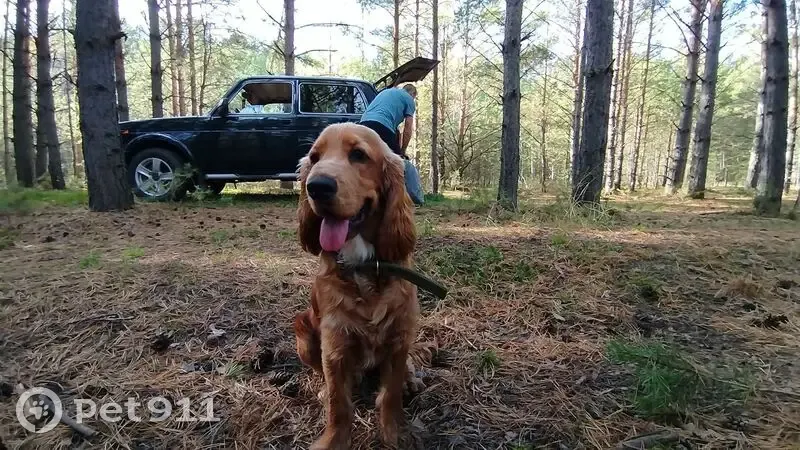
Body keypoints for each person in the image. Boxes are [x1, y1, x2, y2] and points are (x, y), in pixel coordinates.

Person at [359, 84, 425, 205]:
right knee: (396, 164)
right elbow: (408, 128)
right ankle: (397, 201)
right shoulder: (409, 99)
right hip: (382, 125)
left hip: (363, 125)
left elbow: (396, 131)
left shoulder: (387, 92)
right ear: (413, 94)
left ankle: (363, 197)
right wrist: (402, 152)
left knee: (365, 161)